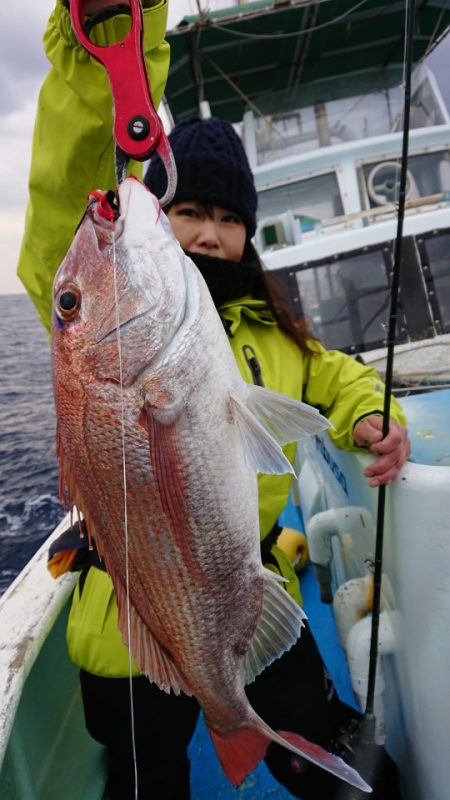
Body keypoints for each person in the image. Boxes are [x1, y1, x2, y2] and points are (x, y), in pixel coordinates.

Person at [18, 3, 410, 799]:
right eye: (188, 210)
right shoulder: (121, 315)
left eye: (229, 218)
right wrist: (102, 54)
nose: (206, 232)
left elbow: (331, 376)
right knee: (144, 780)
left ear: (248, 235)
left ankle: (258, 727)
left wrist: (373, 410)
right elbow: (71, 201)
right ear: (161, 205)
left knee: (328, 753)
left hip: (245, 583)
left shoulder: (268, 331)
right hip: (126, 627)